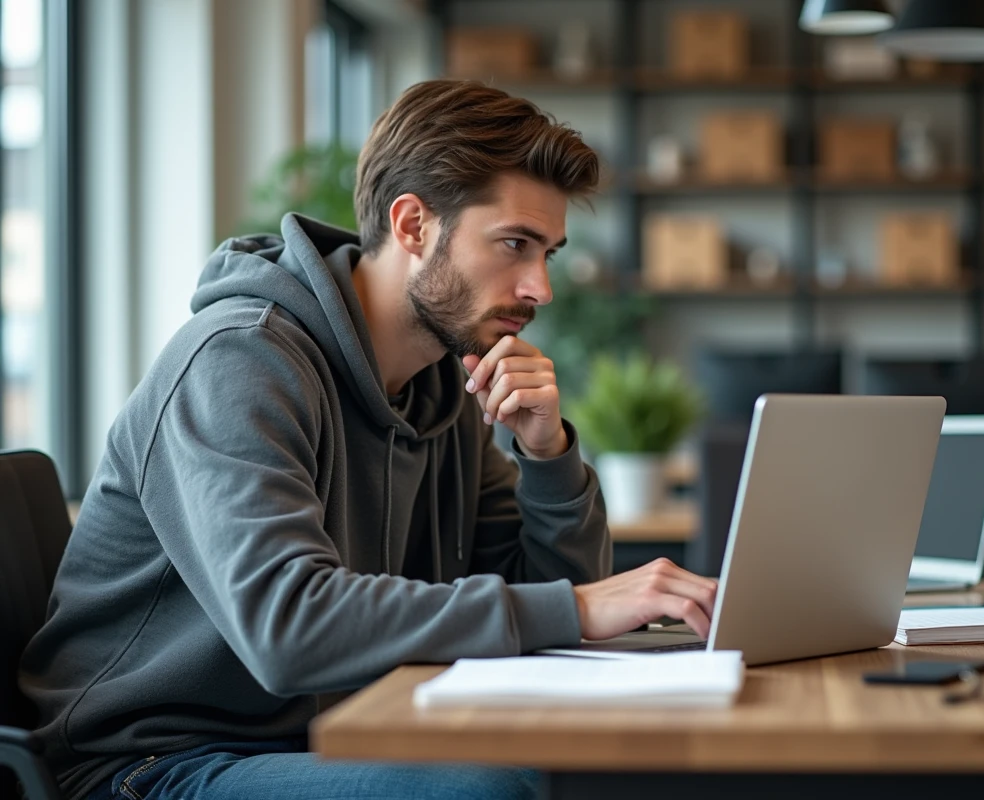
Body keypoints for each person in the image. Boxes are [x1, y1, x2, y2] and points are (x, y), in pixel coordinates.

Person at [19, 79, 719, 800]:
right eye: (514, 244)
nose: (540, 286)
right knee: (489, 793)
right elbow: (288, 626)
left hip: (337, 732)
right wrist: (576, 608)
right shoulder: (238, 362)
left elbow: (545, 602)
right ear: (413, 225)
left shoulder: (442, 388)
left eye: (549, 253)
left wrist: (547, 457)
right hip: (154, 763)